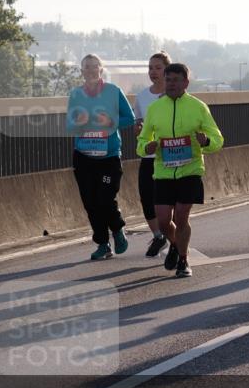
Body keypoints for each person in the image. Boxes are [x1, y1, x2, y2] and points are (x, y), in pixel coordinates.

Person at [136, 63, 224, 277]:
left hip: (190, 170)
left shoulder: (198, 107)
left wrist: (206, 141)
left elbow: (218, 139)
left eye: (176, 80)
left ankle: (183, 261)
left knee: (182, 215)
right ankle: (175, 244)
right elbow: (142, 141)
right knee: (164, 220)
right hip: (163, 172)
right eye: (168, 80)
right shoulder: (155, 109)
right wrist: (146, 147)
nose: (171, 84)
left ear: (186, 82)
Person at [67, 54, 136, 261]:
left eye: (94, 67)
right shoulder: (76, 94)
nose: (90, 70)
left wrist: (110, 122)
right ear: (81, 71)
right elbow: (69, 126)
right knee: (90, 202)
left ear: (101, 69)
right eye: (86, 67)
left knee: (105, 198)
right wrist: (78, 122)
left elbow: (129, 118)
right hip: (84, 156)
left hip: (109, 156)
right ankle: (103, 244)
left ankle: (117, 229)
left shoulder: (113, 92)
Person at [134, 51, 172, 256]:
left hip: (171, 157)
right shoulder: (142, 96)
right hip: (148, 156)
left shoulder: (176, 95)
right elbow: (138, 123)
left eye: (158, 67)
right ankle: (159, 236)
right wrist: (137, 129)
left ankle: (172, 237)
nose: (153, 72)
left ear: (167, 69)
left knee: (168, 202)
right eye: (150, 68)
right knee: (146, 199)